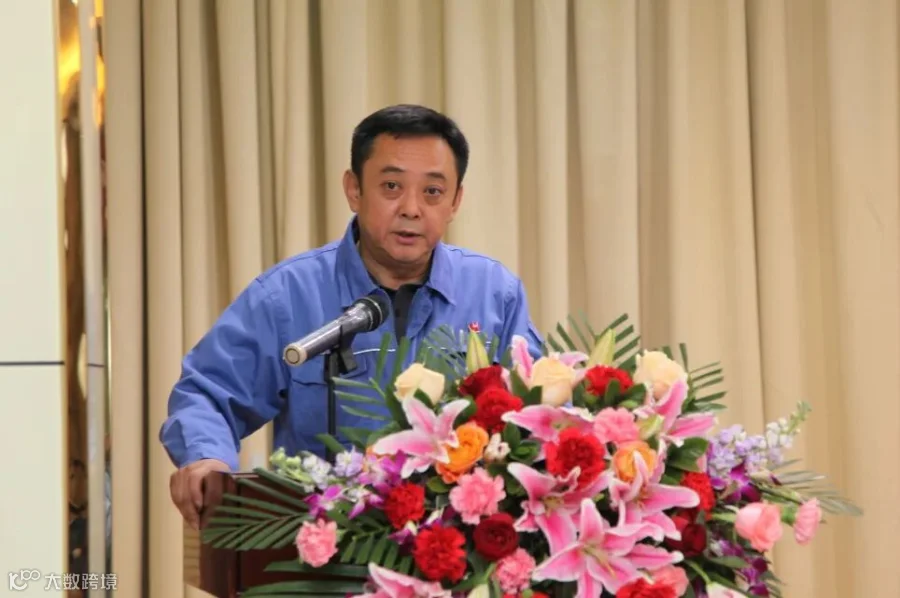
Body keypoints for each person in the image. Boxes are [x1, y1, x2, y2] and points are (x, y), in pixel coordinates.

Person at [161, 104, 543, 528]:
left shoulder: (494, 295)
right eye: (392, 186)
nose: (412, 208)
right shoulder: (288, 296)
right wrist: (206, 458)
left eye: (433, 192)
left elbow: (541, 413)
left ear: (455, 201)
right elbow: (208, 394)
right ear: (354, 190)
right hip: (321, 545)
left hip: (453, 549)